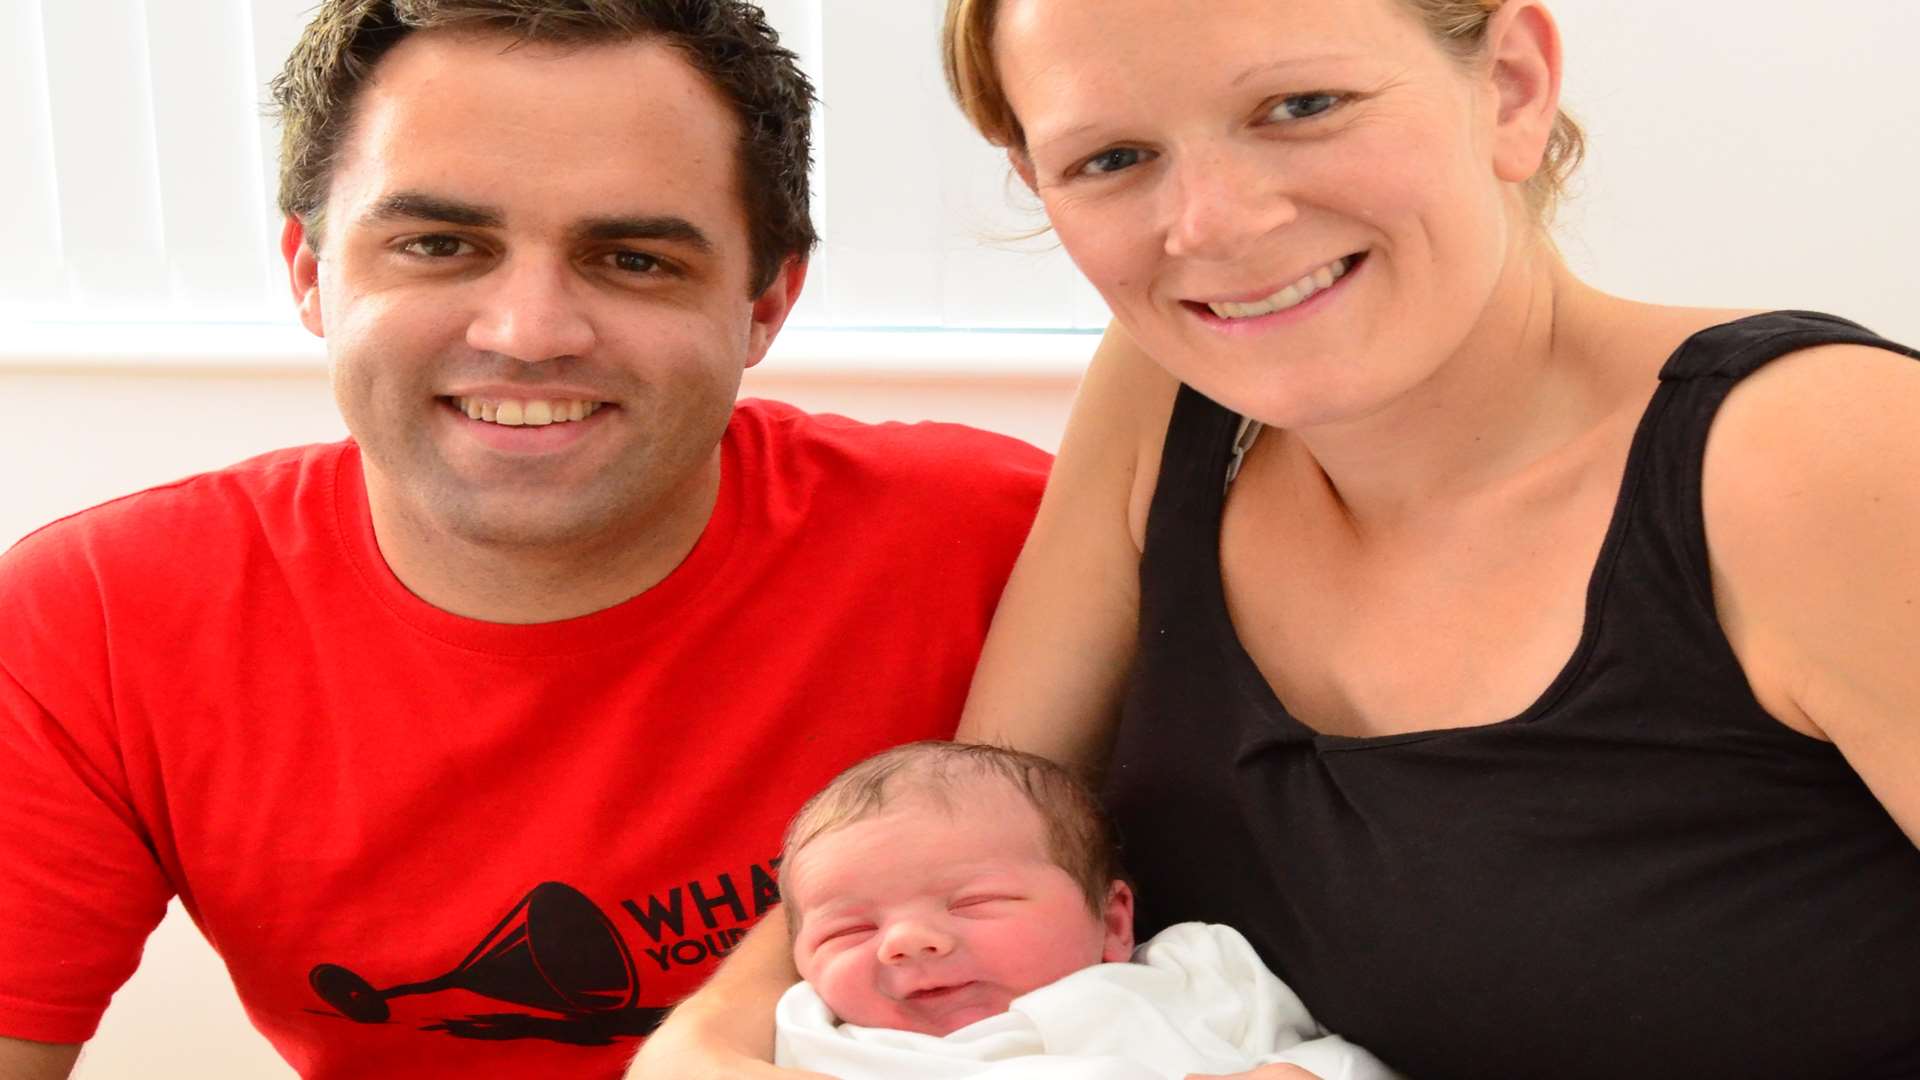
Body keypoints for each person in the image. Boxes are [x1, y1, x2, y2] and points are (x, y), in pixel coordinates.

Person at [637, 0, 1920, 1077]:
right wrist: (720, 1032)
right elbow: (966, 814)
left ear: (1513, 88)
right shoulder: (1169, 390)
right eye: (1113, 158)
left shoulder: (1819, 457)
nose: (1213, 227)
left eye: (1301, 107)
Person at [0, 2, 1049, 1078]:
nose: (529, 332)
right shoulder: (94, 618)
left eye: (634, 259)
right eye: (440, 246)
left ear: (766, 303)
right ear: (310, 273)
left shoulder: (1011, 540)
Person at [772, 742, 1395, 1080]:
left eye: (976, 902)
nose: (905, 941)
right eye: (848, 930)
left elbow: (1340, 1058)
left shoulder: (1196, 975)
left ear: (1115, 922)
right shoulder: (814, 1037)